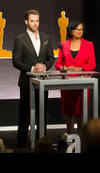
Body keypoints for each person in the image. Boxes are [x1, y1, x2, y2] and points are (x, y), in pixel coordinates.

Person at [12, 9, 55, 149]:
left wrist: (44, 66)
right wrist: (31, 69)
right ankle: (21, 145)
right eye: (32, 21)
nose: (35, 23)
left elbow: (51, 58)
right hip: (26, 81)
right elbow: (16, 61)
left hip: (43, 81)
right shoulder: (20, 39)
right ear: (26, 22)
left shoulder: (46, 37)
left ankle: (41, 144)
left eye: (37, 21)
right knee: (24, 114)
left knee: (43, 113)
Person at [55, 21, 96, 135]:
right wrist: (64, 67)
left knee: (81, 113)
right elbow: (58, 64)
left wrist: (80, 69)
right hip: (67, 83)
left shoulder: (89, 45)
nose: (79, 32)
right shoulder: (64, 45)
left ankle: (82, 140)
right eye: (77, 29)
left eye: (81, 30)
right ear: (71, 30)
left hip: (83, 82)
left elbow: (92, 64)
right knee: (68, 113)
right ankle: (70, 137)